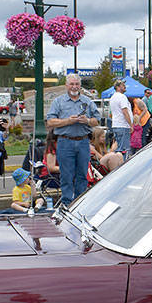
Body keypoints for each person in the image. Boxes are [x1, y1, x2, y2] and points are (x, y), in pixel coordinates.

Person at [45, 74, 101, 205]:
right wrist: (68, 121)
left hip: (83, 142)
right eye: (72, 84)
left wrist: (86, 120)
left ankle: (80, 203)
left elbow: (97, 120)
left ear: (80, 86)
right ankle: (66, 203)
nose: (74, 87)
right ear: (66, 85)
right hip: (65, 142)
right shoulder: (58, 102)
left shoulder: (88, 102)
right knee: (66, 175)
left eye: (77, 84)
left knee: (82, 174)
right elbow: (50, 122)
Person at [109, 78, 134, 154]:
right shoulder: (122, 97)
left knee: (119, 148)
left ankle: (118, 163)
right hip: (123, 125)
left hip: (116, 125)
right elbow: (125, 111)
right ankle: (123, 164)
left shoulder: (112, 97)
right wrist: (131, 125)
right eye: (123, 85)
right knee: (124, 150)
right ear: (118, 87)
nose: (125, 86)